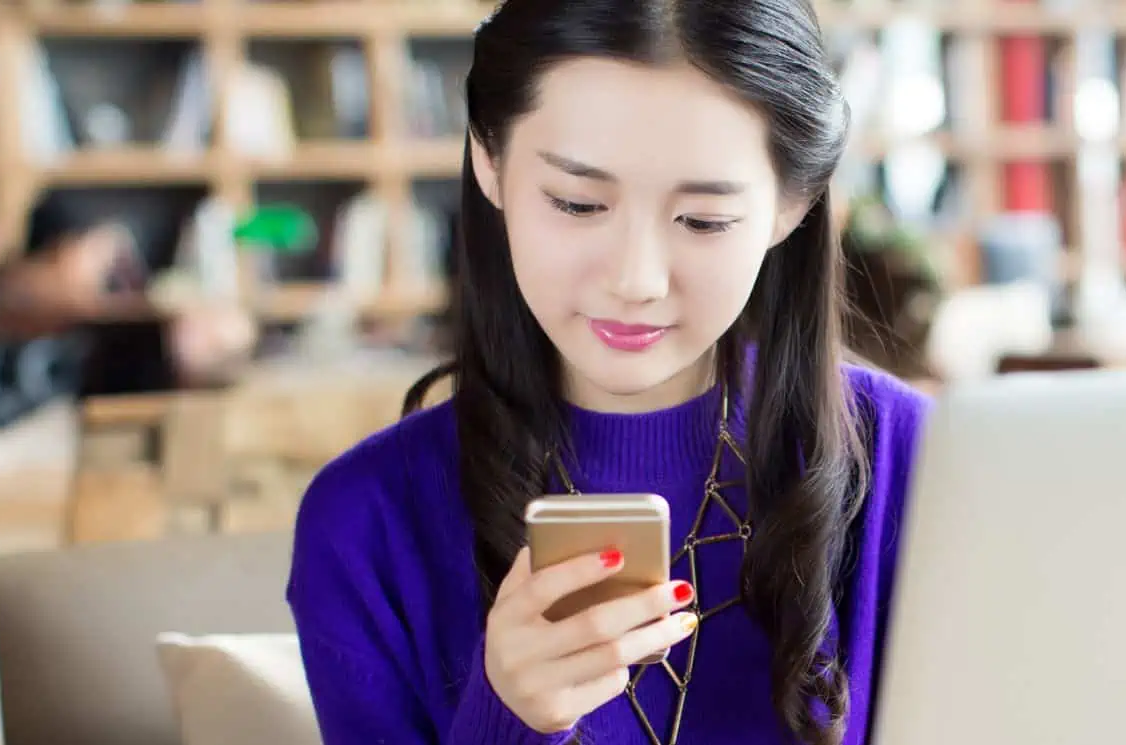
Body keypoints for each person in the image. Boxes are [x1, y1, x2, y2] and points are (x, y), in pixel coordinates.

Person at [284, 0, 931, 743]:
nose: (635, 280)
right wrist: (509, 717)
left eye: (704, 219)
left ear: (794, 204)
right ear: (488, 160)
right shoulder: (366, 522)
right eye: (578, 202)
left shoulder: (910, 461)